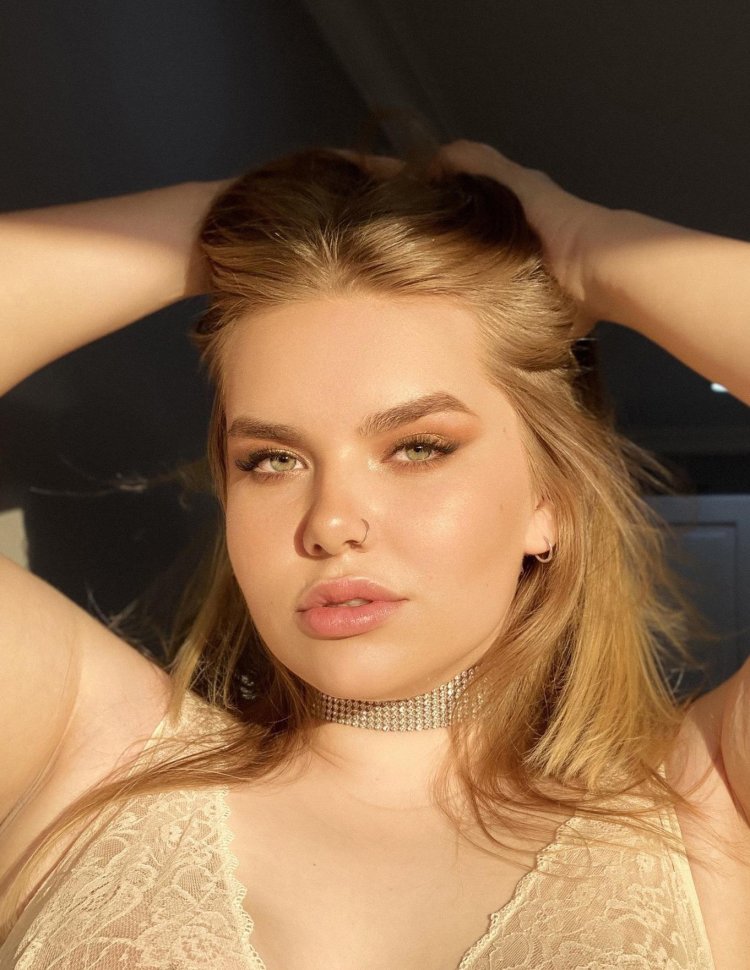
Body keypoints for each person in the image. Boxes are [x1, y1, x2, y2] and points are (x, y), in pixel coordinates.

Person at [0, 140, 747, 970]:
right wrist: (218, 222)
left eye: (418, 447)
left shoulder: (708, 811)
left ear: (551, 502)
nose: (331, 522)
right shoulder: (82, 758)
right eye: (271, 460)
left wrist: (582, 245)